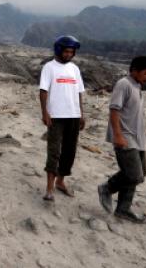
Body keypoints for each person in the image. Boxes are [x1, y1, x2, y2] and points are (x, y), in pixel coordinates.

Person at [97, 55, 146, 223]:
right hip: (125, 137)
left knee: (140, 174)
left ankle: (123, 209)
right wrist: (117, 135)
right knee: (134, 175)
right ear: (134, 70)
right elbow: (114, 110)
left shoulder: (137, 86)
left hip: (138, 139)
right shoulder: (124, 84)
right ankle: (107, 188)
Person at [39, 35, 86, 201]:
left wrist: (81, 113)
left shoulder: (74, 69)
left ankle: (61, 181)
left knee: (69, 151)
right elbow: (43, 91)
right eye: (66, 51)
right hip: (56, 116)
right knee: (54, 151)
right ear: (59, 50)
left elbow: (79, 92)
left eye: (71, 52)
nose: (69, 54)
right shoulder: (49, 67)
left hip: (73, 115)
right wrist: (45, 113)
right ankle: (49, 188)